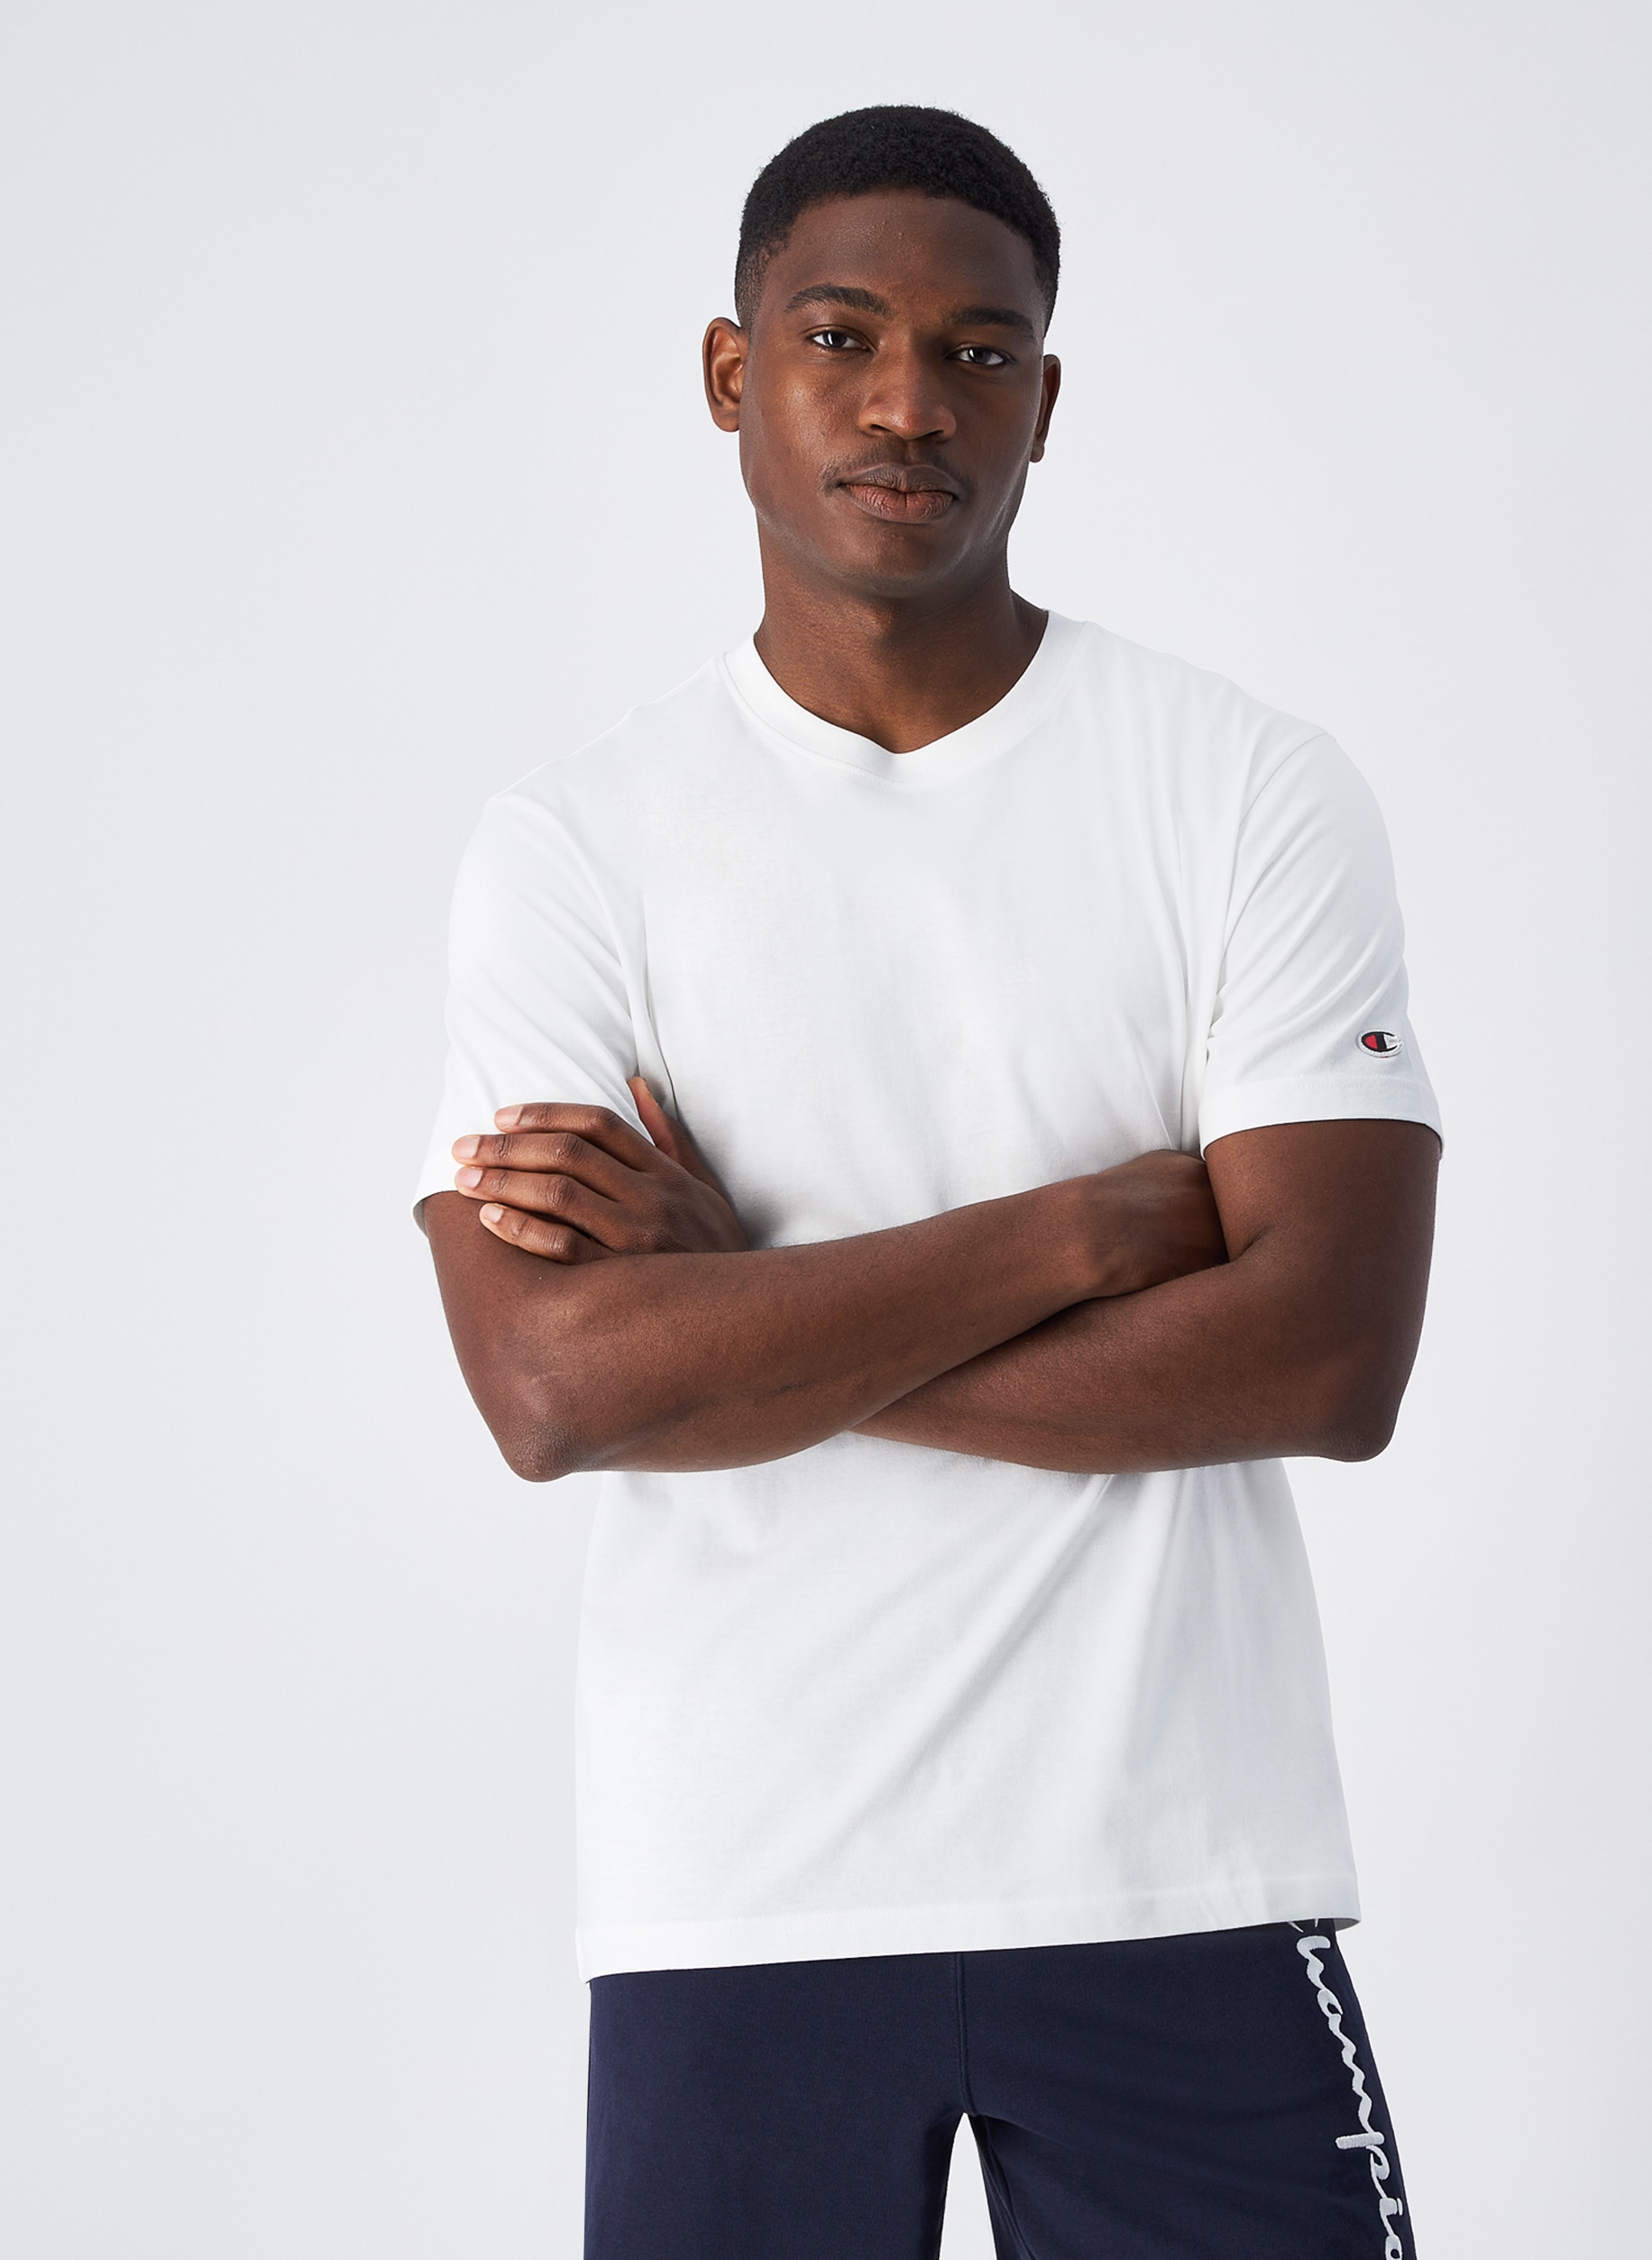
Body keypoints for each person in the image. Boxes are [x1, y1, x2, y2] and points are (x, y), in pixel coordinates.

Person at [416, 104, 1440, 2260]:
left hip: (1178, 1862)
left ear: (1043, 402)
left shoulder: (1242, 788)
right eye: (842, 335)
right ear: (731, 372)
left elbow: (1328, 1356)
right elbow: (555, 1387)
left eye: (978, 353)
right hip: (739, 1885)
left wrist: (741, 1312)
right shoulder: (576, 844)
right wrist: (1082, 1230)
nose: (909, 401)